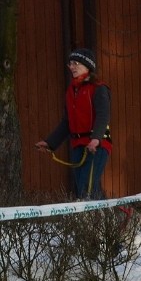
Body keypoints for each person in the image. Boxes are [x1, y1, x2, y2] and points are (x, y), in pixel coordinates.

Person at [35, 48, 112, 200]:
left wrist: (96, 139)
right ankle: (121, 215)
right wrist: (50, 143)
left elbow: (103, 116)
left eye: (76, 63)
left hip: (96, 145)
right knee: (86, 188)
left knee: (86, 190)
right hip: (78, 145)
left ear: (87, 66)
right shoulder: (71, 91)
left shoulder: (99, 89)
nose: (72, 67)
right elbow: (67, 122)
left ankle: (97, 222)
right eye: (70, 63)